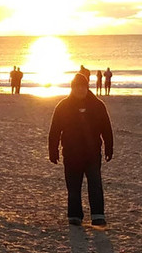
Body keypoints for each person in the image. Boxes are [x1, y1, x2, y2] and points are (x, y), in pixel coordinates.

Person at [48, 72, 114, 227]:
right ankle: (74, 215)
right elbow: (55, 130)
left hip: (92, 154)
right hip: (71, 154)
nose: (80, 89)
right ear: (72, 88)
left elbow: (106, 129)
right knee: (73, 187)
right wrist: (53, 150)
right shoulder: (63, 106)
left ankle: (98, 215)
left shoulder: (98, 105)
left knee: (95, 184)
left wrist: (109, 148)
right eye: (77, 87)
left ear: (87, 87)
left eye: (83, 86)